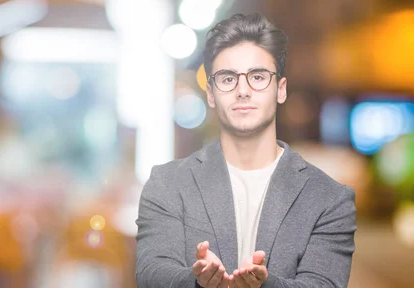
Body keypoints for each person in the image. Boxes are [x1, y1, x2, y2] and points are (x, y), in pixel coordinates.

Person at [135, 13, 356, 288]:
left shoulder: (330, 199)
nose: (243, 90)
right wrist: (197, 281)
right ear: (211, 93)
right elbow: (151, 273)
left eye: (258, 77)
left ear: (281, 89)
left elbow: (324, 284)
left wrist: (266, 285)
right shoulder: (167, 184)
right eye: (228, 79)